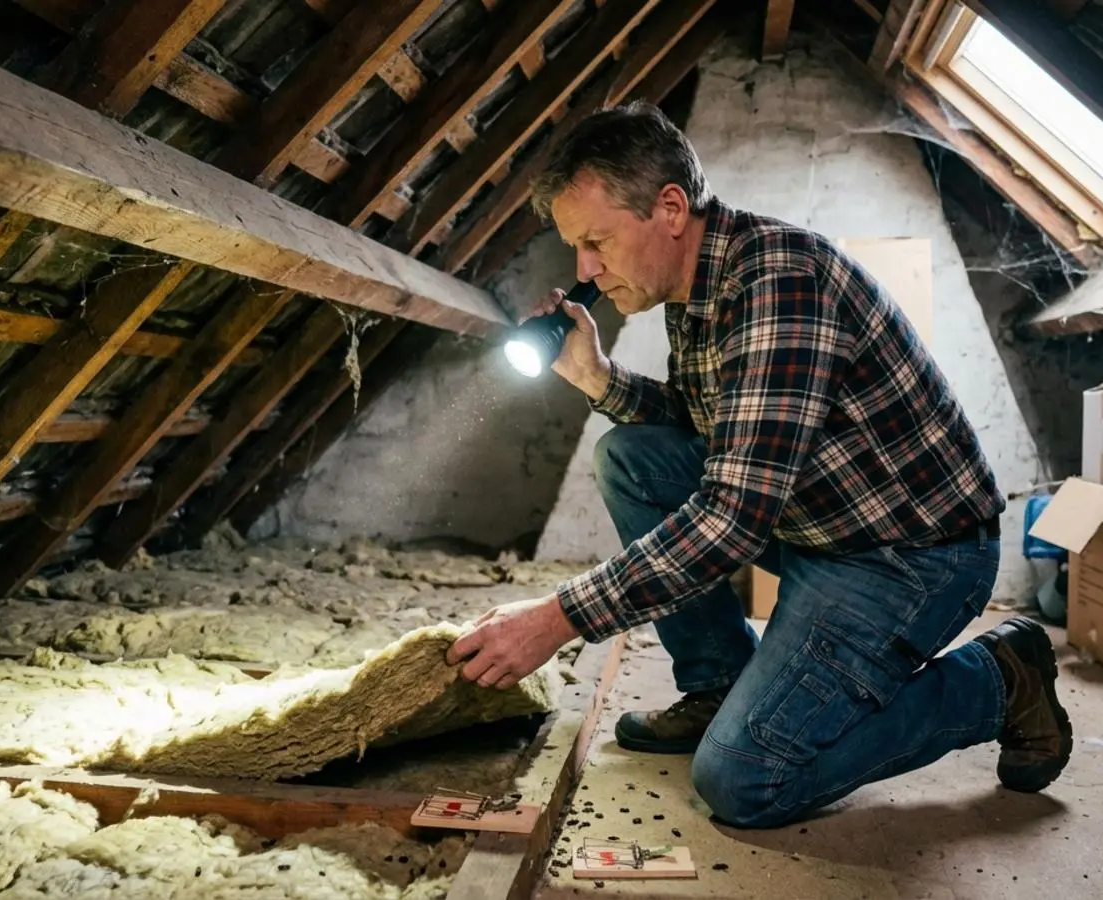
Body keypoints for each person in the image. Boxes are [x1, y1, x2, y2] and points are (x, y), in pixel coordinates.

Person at [446, 101, 1071, 829]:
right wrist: (597, 379)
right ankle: (717, 683)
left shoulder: (776, 282)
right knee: (633, 456)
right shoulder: (696, 287)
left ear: (670, 209)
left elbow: (732, 517)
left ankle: (1001, 680)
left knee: (743, 779)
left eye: (595, 242)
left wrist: (557, 617)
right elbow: (713, 424)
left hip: (909, 556)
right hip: (822, 519)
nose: (584, 270)